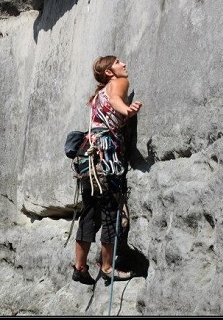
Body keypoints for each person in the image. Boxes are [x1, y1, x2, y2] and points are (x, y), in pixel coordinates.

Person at [71, 55, 142, 285]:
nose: (124, 64)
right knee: (111, 211)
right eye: (119, 63)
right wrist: (127, 110)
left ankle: (80, 267)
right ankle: (108, 267)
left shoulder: (96, 97)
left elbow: (108, 101)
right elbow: (115, 99)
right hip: (106, 158)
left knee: (90, 212)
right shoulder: (118, 82)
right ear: (110, 72)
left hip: (87, 160)